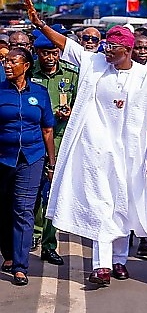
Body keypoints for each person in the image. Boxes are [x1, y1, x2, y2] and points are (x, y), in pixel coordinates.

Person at [24, 0, 147, 286]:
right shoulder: (95, 64)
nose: (106, 51)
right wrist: (40, 23)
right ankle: (101, 266)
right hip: (96, 148)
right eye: (105, 46)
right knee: (101, 203)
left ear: (127, 50)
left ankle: (120, 261)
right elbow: (66, 45)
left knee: (123, 205)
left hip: (132, 151)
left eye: (112, 48)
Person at [0, 47, 56, 285]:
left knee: (23, 210)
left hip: (32, 158)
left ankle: (21, 266)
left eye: (13, 61)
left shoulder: (40, 93)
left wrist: (51, 163)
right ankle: (9, 255)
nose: (7, 65)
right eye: (5, 62)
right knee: (3, 209)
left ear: (26, 65)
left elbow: (47, 129)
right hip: (2, 158)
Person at [30, 34, 79, 266]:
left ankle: (49, 244)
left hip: (60, 138)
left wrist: (70, 113)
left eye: (54, 52)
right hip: (31, 138)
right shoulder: (29, 72)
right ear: (37, 53)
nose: (50, 57)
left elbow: (81, 104)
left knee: (52, 194)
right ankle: (34, 233)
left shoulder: (71, 74)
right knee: (30, 194)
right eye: (45, 53)